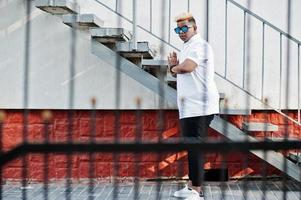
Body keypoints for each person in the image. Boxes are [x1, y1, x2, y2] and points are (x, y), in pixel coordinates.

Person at [168, 12, 219, 200]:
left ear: (195, 28)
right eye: (178, 29)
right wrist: (174, 67)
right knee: (192, 147)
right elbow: (180, 73)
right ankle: (192, 187)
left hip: (200, 105)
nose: (181, 32)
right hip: (190, 106)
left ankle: (197, 191)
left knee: (195, 147)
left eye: (184, 28)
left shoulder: (199, 45)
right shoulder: (188, 46)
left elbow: (188, 67)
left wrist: (174, 67)